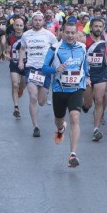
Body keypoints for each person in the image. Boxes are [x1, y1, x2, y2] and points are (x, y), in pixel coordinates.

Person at [42, 22, 89, 168]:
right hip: (59, 90)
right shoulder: (54, 49)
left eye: (73, 32)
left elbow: (85, 66)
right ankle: (60, 128)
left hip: (77, 88)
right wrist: (56, 68)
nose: (70, 35)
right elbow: (44, 68)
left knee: (75, 118)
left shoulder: (82, 47)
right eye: (67, 32)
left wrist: (87, 78)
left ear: (77, 33)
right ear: (62, 32)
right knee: (59, 119)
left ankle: (73, 154)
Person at [18, 12, 58, 138]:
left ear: (43, 21)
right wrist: (20, 61)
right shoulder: (26, 35)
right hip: (31, 69)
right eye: (35, 20)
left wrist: (55, 64)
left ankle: (45, 94)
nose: (37, 22)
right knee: (33, 97)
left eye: (40, 20)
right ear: (32, 21)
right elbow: (22, 48)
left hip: (45, 70)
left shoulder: (49, 35)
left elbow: (56, 49)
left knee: (41, 101)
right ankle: (36, 126)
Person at [84, 18, 107, 141]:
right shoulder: (84, 39)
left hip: (101, 72)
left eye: (100, 26)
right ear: (91, 28)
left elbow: (105, 53)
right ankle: (85, 105)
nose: (98, 29)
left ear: (103, 28)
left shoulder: (106, 40)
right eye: (95, 26)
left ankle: (96, 129)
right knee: (88, 104)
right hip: (87, 74)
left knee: (99, 100)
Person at [7, 18, 27, 119]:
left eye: (21, 25)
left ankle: (21, 89)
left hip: (25, 64)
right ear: (14, 26)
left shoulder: (27, 37)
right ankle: (16, 108)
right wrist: (6, 55)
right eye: (17, 25)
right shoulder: (10, 37)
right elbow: (7, 50)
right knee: (15, 84)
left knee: (22, 85)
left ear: (23, 26)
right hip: (14, 63)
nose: (19, 27)